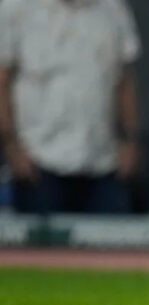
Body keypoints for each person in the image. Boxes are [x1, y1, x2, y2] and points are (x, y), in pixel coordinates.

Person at [0, 0, 141, 214]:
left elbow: (125, 81)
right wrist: (12, 146)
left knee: (113, 241)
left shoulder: (113, 9)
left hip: (102, 160)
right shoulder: (15, 8)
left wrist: (130, 141)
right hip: (39, 160)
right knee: (43, 244)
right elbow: (2, 82)